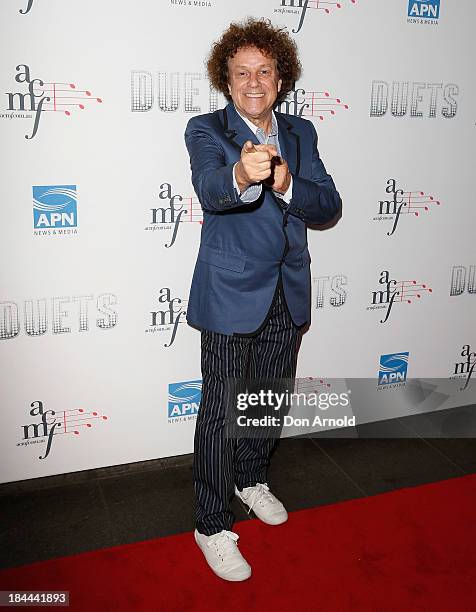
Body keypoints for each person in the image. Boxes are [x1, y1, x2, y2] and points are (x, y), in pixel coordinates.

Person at [184, 18, 342, 581]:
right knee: (222, 409)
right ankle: (210, 522)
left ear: (281, 77)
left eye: (265, 71)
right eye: (242, 72)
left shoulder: (301, 133)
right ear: (226, 81)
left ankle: (250, 478)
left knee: (268, 398)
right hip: (230, 291)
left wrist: (287, 184)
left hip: (287, 288)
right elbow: (211, 189)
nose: (254, 82)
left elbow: (326, 205)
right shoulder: (205, 129)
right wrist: (241, 174)